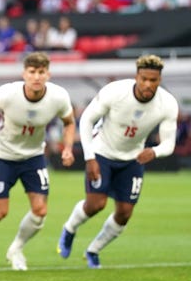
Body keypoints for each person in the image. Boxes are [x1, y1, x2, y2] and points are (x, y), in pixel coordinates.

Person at [57, 55, 179, 268]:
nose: (148, 84)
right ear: (136, 77)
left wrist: (155, 152)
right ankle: (69, 229)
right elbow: (86, 120)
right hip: (102, 153)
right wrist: (90, 157)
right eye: (144, 79)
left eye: (153, 80)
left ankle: (93, 250)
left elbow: (169, 144)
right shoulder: (115, 92)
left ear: (159, 80)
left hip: (133, 159)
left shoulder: (167, 104)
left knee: (124, 213)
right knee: (96, 205)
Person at [0, 52, 75, 271]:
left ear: (48, 74)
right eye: (32, 72)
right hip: (3, 155)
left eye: (41, 72)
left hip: (33, 157)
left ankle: (16, 249)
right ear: (24, 74)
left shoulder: (58, 97)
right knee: (0, 212)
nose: (36, 77)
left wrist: (67, 148)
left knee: (40, 211)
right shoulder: (8, 93)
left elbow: (69, 121)